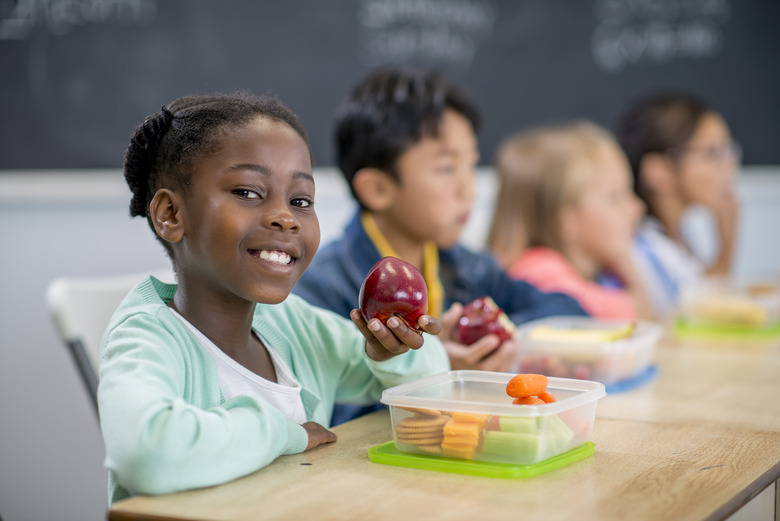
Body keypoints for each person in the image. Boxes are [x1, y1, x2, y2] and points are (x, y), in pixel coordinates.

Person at [99, 92, 449, 503]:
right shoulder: (146, 339)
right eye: (248, 192)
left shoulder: (296, 327)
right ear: (171, 215)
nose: (285, 217)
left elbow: (432, 389)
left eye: (301, 201)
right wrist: (285, 433)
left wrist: (395, 352)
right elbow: (148, 456)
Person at [293, 68, 587, 424]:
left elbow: (565, 309)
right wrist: (435, 370)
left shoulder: (466, 264)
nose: (469, 189)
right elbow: (329, 413)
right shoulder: (322, 287)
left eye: (471, 165)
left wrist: (481, 331)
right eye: (447, 168)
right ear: (378, 189)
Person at [486, 121, 652, 321]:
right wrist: (629, 269)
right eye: (615, 197)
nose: (637, 207)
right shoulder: (538, 270)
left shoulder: (596, 274)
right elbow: (633, 317)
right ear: (565, 220)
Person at [615, 92, 741, 316]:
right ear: (658, 171)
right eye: (713, 153)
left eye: (728, 151)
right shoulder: (643, 249)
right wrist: (727, 244)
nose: (729, 166)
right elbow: (698, 316)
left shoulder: (678, 237)